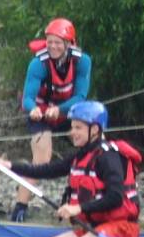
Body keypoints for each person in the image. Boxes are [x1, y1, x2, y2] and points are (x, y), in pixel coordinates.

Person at [0, 101, 140, 237]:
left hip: (120, 228)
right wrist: (7, 165)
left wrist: (78, 208)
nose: (72, 132)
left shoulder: (108, 157)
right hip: (94, 227)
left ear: (95, 129)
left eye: (78, 128)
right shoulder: (81, 156)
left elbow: (116, 197)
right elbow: (46, 170)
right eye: (72, 127)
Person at [13, 17, 92, 222]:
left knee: (95, 147)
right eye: (50, 42)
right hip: (41, 113)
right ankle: (20, 207)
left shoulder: (83, 61)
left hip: (69, 110)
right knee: (41, 158)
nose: (53, 46)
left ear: (69, 43)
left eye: (58, 42)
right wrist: (33, 110)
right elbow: (28, 98)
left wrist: (60, 109)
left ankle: (90, 201)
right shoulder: (38, 63)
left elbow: (81, 96)